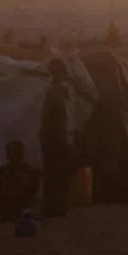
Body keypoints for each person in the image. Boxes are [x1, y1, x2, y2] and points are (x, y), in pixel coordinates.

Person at [0, 140, 42, 224]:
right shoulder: (4, 171)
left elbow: (31, 190)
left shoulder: (28, 171)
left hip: (19, 202)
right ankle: (12, 215)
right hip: (9, 202)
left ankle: (14, 215)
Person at [40, 59, 76, 218]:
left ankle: (55, 206)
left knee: (56, 172)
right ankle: (55, 206)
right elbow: (51, 115)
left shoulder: (56, 91)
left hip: (55, 136)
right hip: (56, 137)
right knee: (57, 172)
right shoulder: (57, 92)